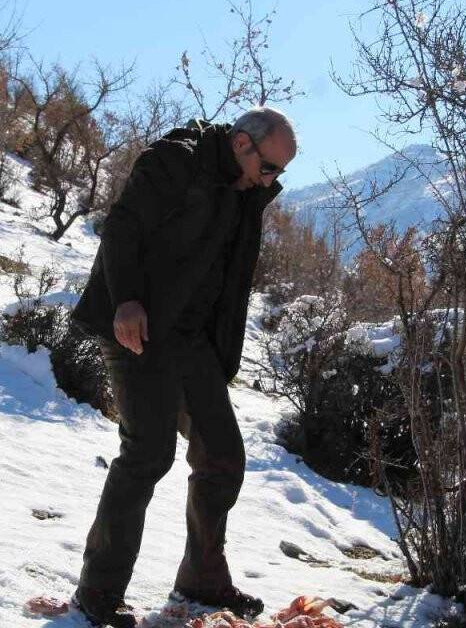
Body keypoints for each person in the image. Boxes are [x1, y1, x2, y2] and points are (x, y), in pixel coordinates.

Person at [69, 108, 297, 627]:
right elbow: (122, 228)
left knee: (222, 454)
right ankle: (97, 594)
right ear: (242, 143)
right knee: (148, 453)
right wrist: (126, 300)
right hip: (139, 325)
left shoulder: (245, 190)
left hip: (192, 340)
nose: (272, 182)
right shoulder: (174, 161)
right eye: (269, 168)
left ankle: (201, 580)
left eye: (279, 174)